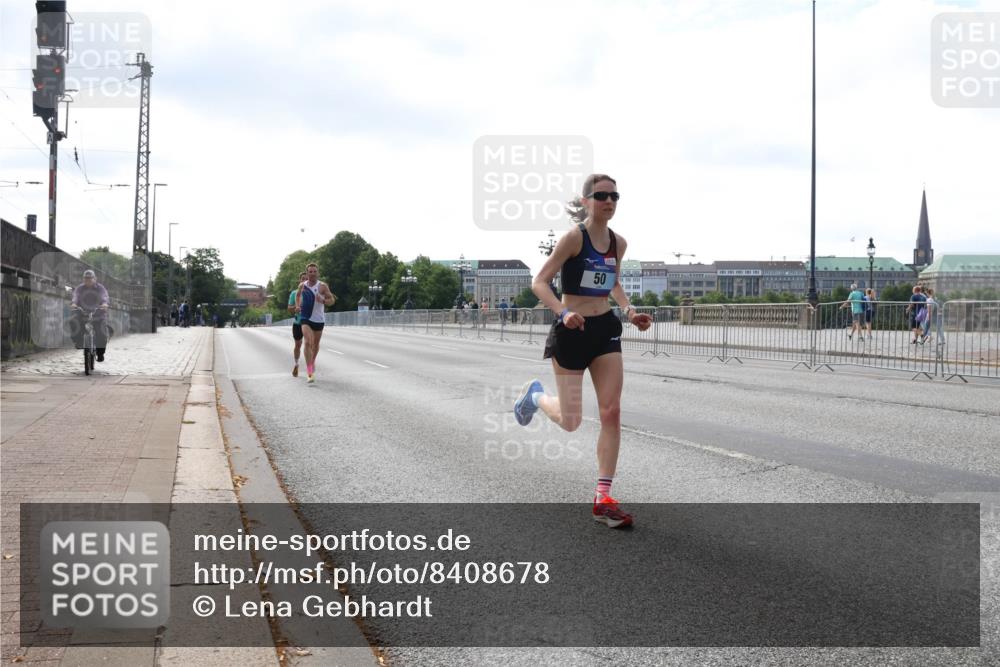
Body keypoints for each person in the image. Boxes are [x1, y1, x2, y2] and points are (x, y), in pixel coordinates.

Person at [513, 173, 652, 529]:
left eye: (614, 196)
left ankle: (603, 497)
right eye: (601, 195)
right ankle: (536, 397)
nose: (609, 201)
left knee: (611, 410)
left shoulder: (618, 243)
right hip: (572, 331)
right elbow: (539, 282)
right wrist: (563, 312)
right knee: (571, 422)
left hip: (604, 329)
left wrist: (630, 311)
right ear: (587, 201)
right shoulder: (574, 238)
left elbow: (613, 281)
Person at [295, 263, 337, 383]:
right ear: (307, 273)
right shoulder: (302, 285)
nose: (313, 273)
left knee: (315, 344)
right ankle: (309, 371)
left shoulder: (322, 286)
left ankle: (312, 362)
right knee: (308, 342)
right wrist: (298, 306)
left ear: (318, 273)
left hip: (318, 319)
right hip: (305, 317)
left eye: (315, 271)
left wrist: (323, 300)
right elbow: (298, 296)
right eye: (310, 272)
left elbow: (332, 301)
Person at [70, 269, 110, 362]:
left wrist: (104, 304)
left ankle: (100, 353)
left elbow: (104, 296)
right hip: (83, 312)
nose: (88, 280)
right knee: (73, 320)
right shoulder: (80, 288)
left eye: (90, 278)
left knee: (102, 334)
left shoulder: (100, 288)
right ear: (83, 279)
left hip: (98, 313)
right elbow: (76, 296)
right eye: (86, 279)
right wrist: (74, 303)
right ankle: (79, 341)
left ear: (95, 279)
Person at [287, 271, 308, 377]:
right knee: (298, 344)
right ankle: (296, 364)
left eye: (306, 278)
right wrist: (296, 309)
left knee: (309, 345)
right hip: (298, 323)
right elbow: (289, 308)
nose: (304, 281)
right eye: (303, 279)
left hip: (309, 322)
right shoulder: (294, 293)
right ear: (300, 280)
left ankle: (310, 367)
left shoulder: (313, 291)